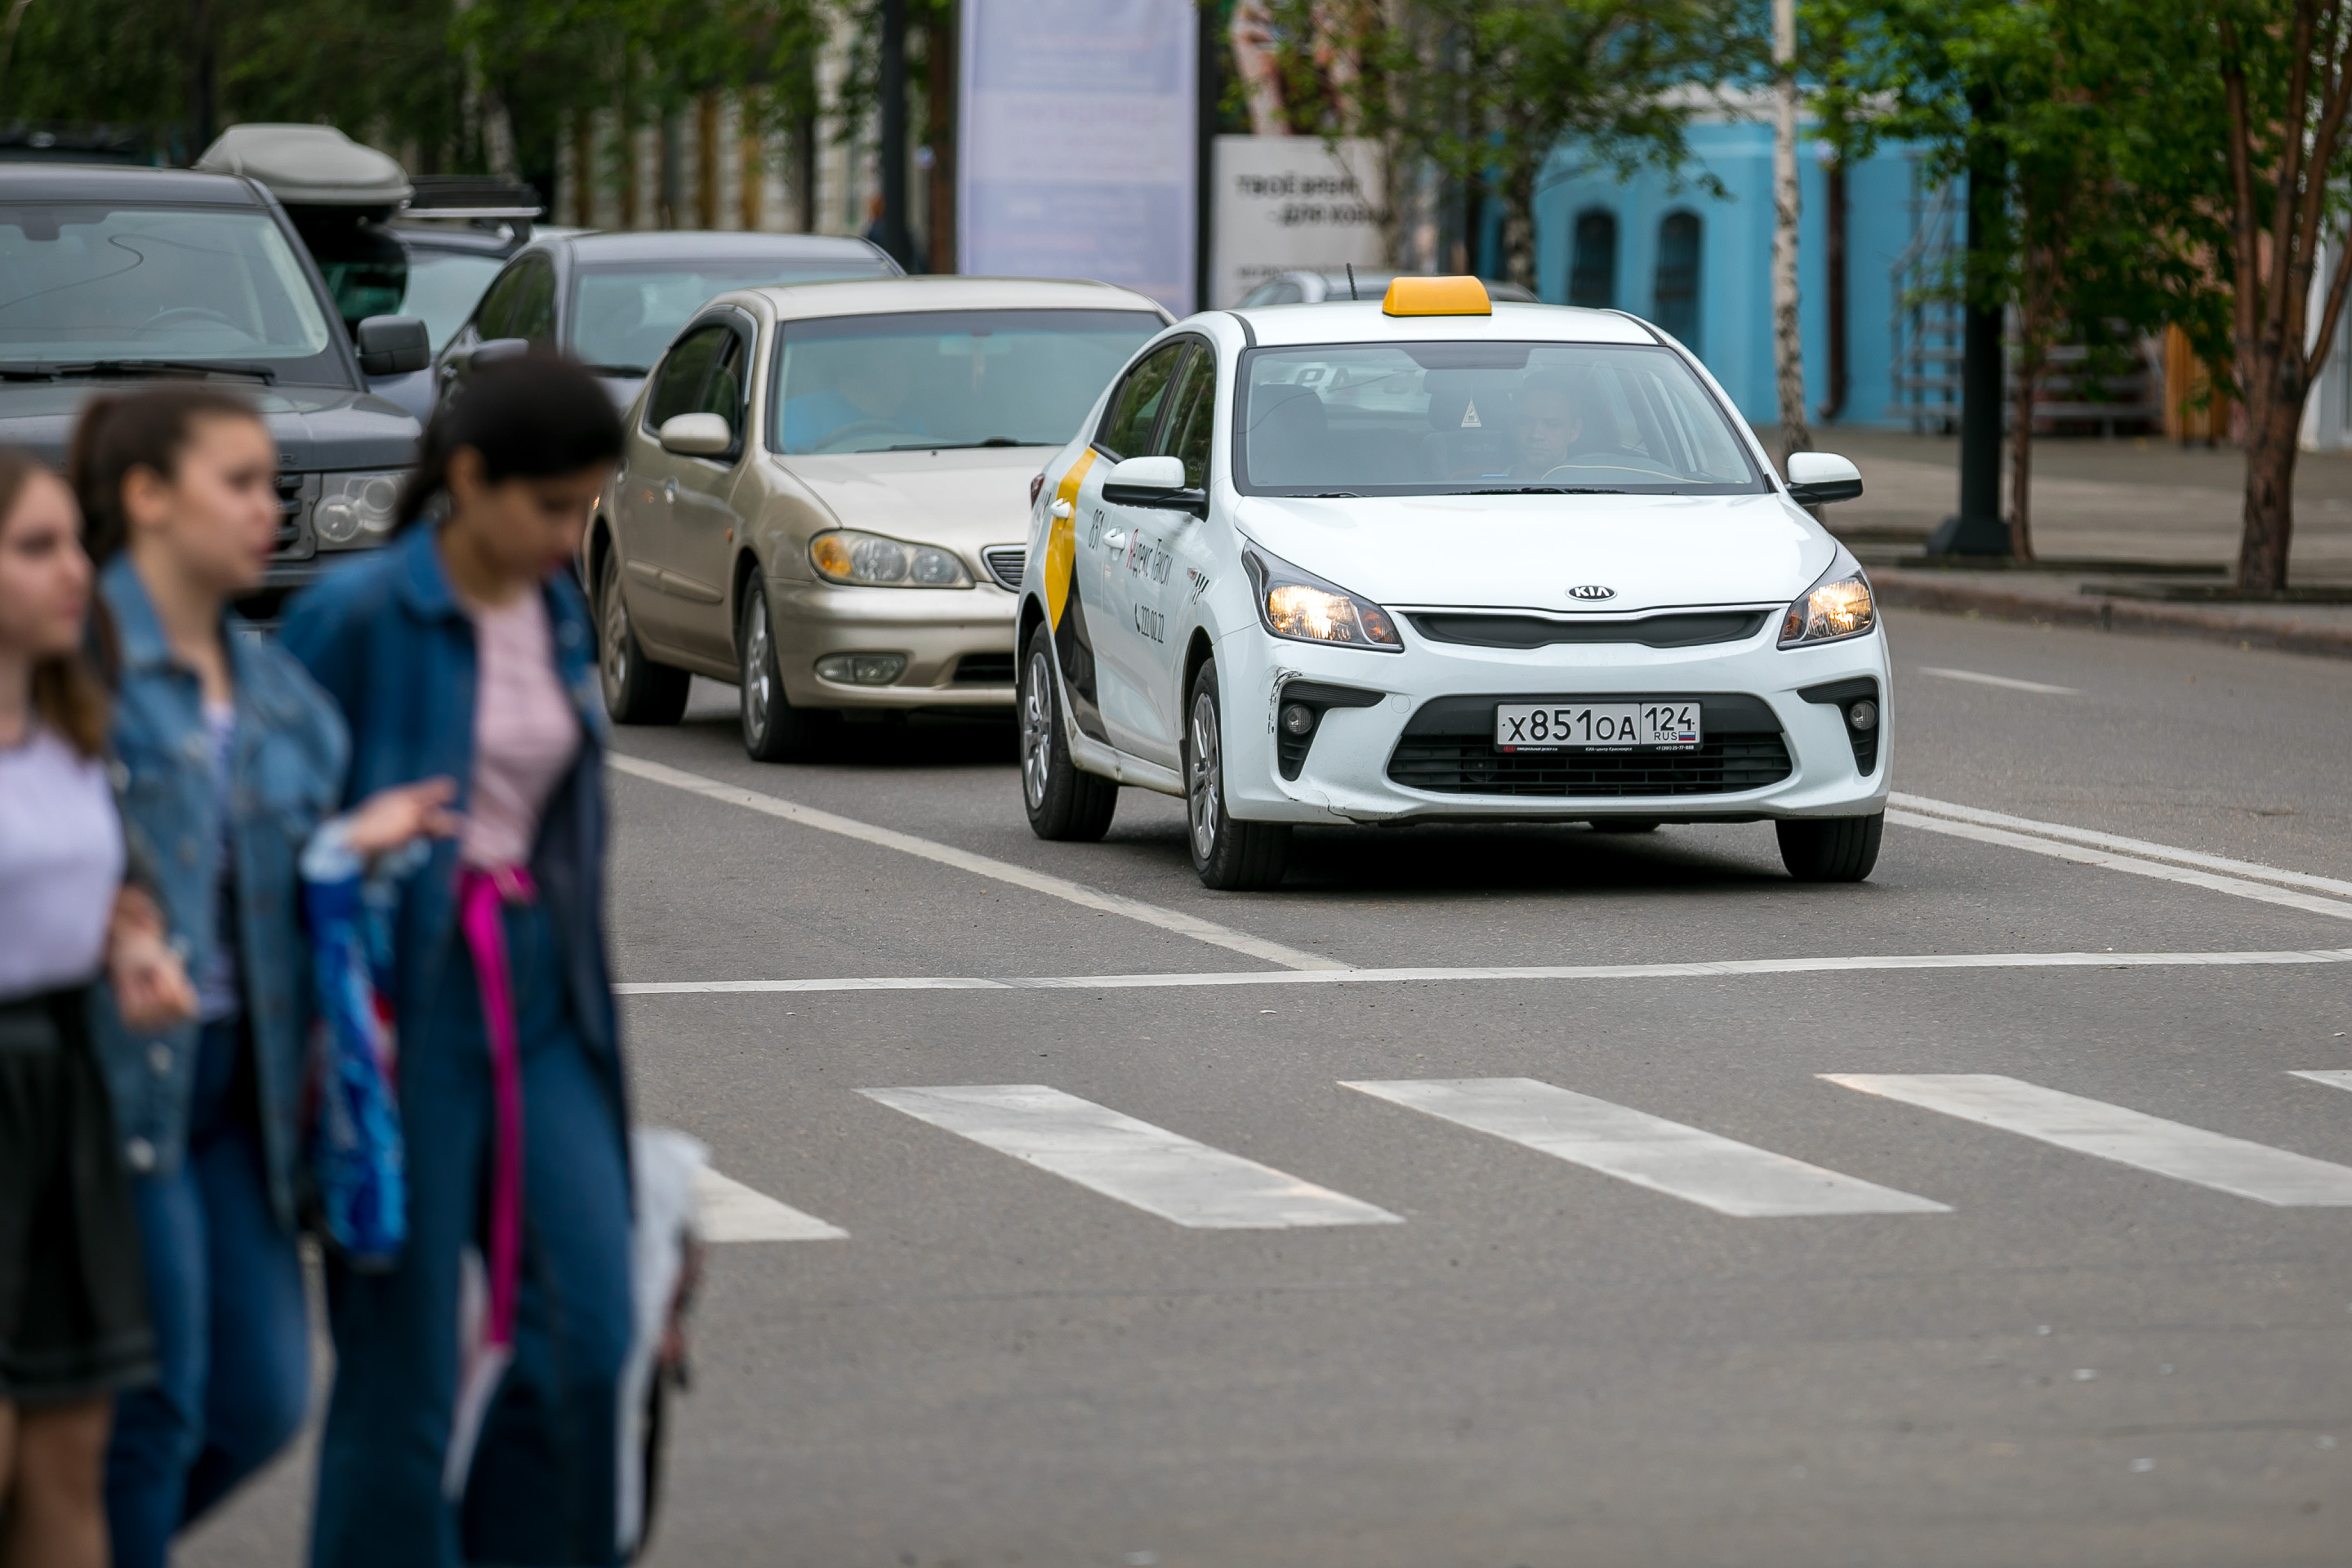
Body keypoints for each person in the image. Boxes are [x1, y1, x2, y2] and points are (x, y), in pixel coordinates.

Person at [69, 387, 454, 1568]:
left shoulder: (282, 696)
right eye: (236, 482)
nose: (265, 504)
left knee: (263, 1401)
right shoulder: (72, 669)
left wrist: (359, 856)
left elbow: (317, 903)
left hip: (245, 1092)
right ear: (146, 497)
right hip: (110, 1082)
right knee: (160, 1404)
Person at [281, 354, 635, 1568]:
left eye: (587, 506)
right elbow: (265, 828)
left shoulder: (553, 610)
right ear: (470, 480)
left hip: (545, 1005)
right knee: (404, 1382)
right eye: (550, 507)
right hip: (403, 1013)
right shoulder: (358, 617)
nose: (569, 534)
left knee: (590, 1338)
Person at [0, 447, 193, 1568]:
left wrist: (131, 943)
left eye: (76, 540)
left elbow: (102, 885)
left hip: (69, 1082)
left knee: (72, 1452)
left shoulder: (78, 722)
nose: (76, 570)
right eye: (36, 548)